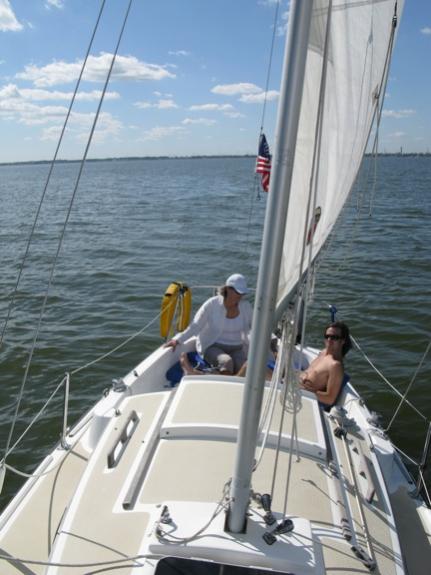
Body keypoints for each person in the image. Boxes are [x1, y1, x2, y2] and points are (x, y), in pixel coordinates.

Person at [165, 274, 252, 376]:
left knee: (246, 367)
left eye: (242, 293)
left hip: (237, 348)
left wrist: (272, 344)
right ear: (228, 289)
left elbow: (256, 327)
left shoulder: (246, 307)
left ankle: (194, 373)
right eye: (238, 292)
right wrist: (177, 340)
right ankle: (195, 372)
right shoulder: (212, 304)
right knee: (227, 362)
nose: (240, 296)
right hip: (213, 345)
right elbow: (196, 325)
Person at [300, 321, 352, 407]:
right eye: (327, 336)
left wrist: (306, 389)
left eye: (334, 337)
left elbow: (329, 399)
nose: (329, 340)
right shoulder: (323, 352)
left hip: (302, 393)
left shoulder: (335, 365)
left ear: (343, 341)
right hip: (294, 381)